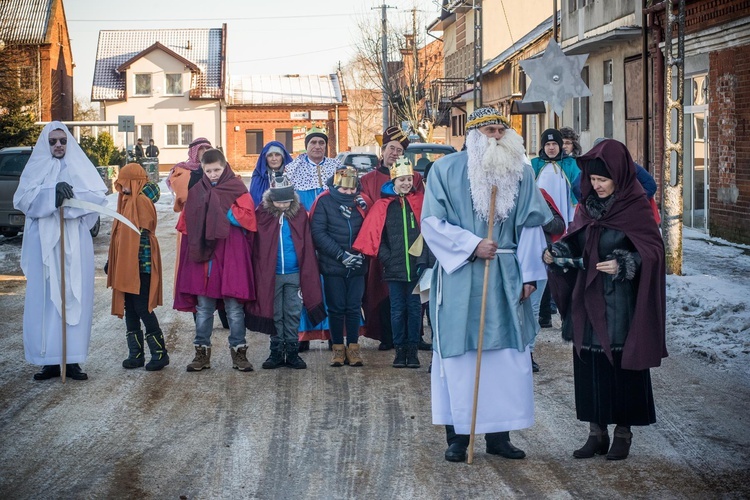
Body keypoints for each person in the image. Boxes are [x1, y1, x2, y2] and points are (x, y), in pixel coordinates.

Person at [421, 107, 551, 463]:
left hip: (505, 276)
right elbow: (431, 222)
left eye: (500, 130)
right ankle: (458, 438)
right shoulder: (444, 170)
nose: (496, 136)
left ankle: (499, 435)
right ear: (474, 135)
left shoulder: (522, 174)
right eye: (489, 130)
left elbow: (530, 228)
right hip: (461, 275)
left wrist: (528, 276)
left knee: (504, 358)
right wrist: (471, 245)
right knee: (460, 358)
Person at [543, 139, 666, 461]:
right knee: (589, 367)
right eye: (593, 180)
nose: (596, 185)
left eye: (602, 180)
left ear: (618, 176)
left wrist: (625, 262)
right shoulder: (586, 207)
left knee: (621, 368)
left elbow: (652, 251)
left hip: (621, 303)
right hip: (588, 297)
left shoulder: (635, 205)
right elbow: (575, 239)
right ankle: (595, 433)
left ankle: (623, 432)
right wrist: (558, 251)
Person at [13, 122, 108, 381]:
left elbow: (96, 199)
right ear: (46, 143)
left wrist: (69, 197)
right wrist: (51, 194)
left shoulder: (79, 167)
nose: (58, 145)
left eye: (63, 141)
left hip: (74, 242)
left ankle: (73, 360)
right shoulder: (36, 169)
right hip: (45, 244)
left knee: (74, 293)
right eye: (53, 141)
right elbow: (24, 200)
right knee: (47, 299)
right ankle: (49, 360)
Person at [174, 149, 258, 372]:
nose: (212, 174)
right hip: (205, 261)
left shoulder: (237, 188)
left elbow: (250, 220)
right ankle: (201, 353)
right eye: (208, 170)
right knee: (203, 309)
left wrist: (225, 210)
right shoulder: (197, 191)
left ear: (225, 167)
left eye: (216, 170)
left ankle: (239, 353)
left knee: (234, 309)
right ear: (202, 169)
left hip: (231, 257)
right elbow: (185, 224)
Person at [246, 173, 326, 370]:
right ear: (271, 198)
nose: (283, 205)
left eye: (287, 201)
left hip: (295, 273)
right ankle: (275, 351)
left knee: (292, 312)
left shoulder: (299, 214)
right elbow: (254, 245)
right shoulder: (262, 214)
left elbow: (306, 242)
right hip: (271, 274)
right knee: (275, 313)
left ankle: (291, 351)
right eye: (279, 202)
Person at [354, 156, 424, 369]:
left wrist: (423, 261)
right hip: (393, 269)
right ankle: (399, 349)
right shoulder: (384, 205)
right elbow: (377, 236)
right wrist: (386, 258)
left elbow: (428, 232)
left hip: (416, 268)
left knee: (414, 310)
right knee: (396, 309)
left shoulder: (419, 203)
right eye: (401, 180)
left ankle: (412, 351)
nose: (405, 183)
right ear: (393, 182)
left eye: (408, 179)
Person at [106, 163, 168, 371]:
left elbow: (138, 237)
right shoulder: (125, 200)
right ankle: (136, 354)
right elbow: (120, 237)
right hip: (127, 264)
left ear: (135, 182)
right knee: (130, 308)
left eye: (124, 184)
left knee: (142, 307)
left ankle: (160, 354)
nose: (121, 189)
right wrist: (114, 262)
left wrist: (129, 263)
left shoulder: (140, 201)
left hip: (142, 264)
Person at [310, 167, 370, 367]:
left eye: (351, 189)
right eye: (343, 189)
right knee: (336, 308)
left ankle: (353, 347)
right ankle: (337, 347)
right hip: (333, 264)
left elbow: (370, 229)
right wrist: (340, 255)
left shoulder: (362, 202)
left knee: (353, 307)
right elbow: (319, 232)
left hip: (357, 264)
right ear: (335, 186)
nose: (347, 193)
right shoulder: (324, 202)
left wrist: (360, 253)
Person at [531, 129, 581, 330]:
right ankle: (544, 315)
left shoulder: (570, 165)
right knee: (542, 269)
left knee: (562, 271)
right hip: (541, 227)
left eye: (555, 144)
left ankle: (566, 316)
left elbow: (577, 192)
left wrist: (573, 222)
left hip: (565, 225)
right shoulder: (534, 165)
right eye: (547, 144)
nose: (551, 148)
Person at [527, 189, 566, 371]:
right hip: (507, 262)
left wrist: (542, 217)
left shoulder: (539, 194)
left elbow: (559, 226)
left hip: (537, 261)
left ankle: (528, 353)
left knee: (532, 311)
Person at [285, 127, 342, 211]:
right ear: (306, 146)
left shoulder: (336, 166)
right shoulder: (293, 168)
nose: (317, 146)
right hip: (304, 218)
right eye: (313, 142)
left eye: (321, 143)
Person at [249, 141, 293, 207]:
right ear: (265, 158)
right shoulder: (258, 176)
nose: (274, 159)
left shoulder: (293, 175)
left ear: (283, 157)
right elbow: (254, 201)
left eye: (277, 155)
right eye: (270, 155)